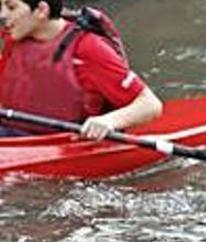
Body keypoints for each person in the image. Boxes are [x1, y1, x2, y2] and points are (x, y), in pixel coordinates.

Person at [0, 0, 162, 138]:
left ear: (42, 10)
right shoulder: (15, 40)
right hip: (11, 134)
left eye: (12, 7)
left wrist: (108, 121)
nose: (2, 15)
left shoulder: (88, 48)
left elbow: (150, 105)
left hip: (61, 143)